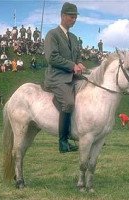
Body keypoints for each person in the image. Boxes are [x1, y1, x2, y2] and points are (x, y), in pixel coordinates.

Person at [43, 2, 86, 153]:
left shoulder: (74, 37)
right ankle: (63, 142)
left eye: (75, 17)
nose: (74, 20)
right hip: (57, 77)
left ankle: (89, 133)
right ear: (62, 16)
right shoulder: (52, 34)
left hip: (72, 76)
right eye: (71, 16)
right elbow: (52, 58)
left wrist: (79, 63)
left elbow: (78, 56)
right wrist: (72, 66)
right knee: (68, 103)